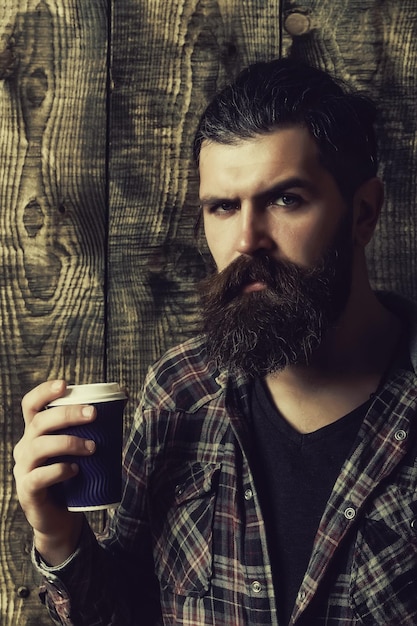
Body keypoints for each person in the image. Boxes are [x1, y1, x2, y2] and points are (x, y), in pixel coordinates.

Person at [13, 57, 417, 626]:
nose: (247, 240)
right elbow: (128, 612)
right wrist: (59, 537)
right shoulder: (180, 393)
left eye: (285, 200)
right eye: (224, 207)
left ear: (363, 212)